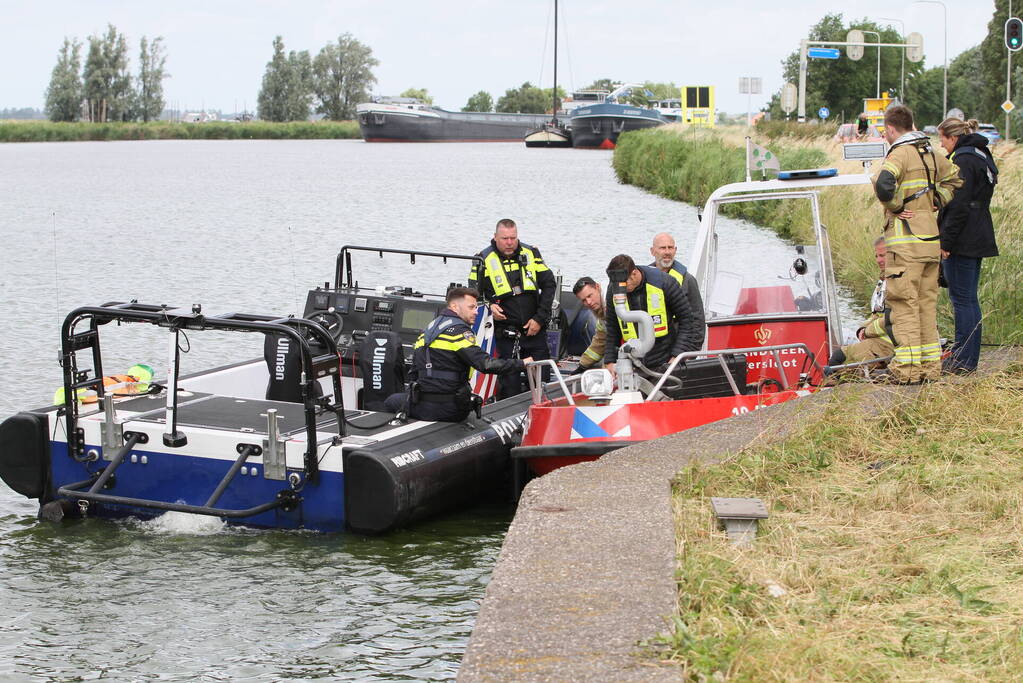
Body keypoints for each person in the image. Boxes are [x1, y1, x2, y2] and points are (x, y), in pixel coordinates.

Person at [873, 105, 962, 383]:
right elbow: (956, 178)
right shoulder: (932, 151)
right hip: (930, 242)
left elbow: (883, 184)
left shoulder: (899, 153)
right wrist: (935, 201)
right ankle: (930, 368)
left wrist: (897, 206)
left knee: (904, 304)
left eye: (885, 131)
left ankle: (908, 371)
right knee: (926, 305)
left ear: (890, 129)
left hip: (905, 244)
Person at [384, 287, 532, 422]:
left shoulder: (428, 330)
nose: (476, 311)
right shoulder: (461, 332)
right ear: (455, 307)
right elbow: (486, 364)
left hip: (422, 403)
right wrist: (522, 363)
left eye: (476, 307)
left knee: (391, 400)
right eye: (471, 307)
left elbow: (414, 372)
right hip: (450, 409)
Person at [937, 117, 999, 374]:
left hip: (962, 238)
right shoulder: (980, 153)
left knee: (961, 300)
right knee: (970, 300)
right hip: (979, 231)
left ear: (953, 137)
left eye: (942, 139)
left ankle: (962, 361)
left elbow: (959, 206)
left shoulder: (961, 160)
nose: (941, 145)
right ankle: (968, 358)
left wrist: (945, 242)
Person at [468, 218, 557, 398]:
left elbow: (549, 285)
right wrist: (490, 306)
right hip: (505, 335)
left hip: (534, 330)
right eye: (504, 238)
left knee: (543, 384)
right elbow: (473, 295)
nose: (509, 243)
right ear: (495, 237)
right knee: (510, 388)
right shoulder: (482, 259)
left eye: (513, 238)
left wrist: (539, 319)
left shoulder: (531, 253)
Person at [602, 254, 704, 377]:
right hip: (633, 361)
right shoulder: (614, 288)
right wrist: (609, 361)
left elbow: (687, 320)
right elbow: (612, 327)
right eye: (615, 284)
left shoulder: (664, 282)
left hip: (665, 359)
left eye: (624, 284)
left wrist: (677, 356)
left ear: (634, 274)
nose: (619, 289)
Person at [829, 237, 894, 368]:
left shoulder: (897, 281)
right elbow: (877, 314)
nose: (878, 260)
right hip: (879, 340)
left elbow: (893, 317)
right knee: (837, 358)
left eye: (882, 255)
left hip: (892, 344)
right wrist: (861, 329)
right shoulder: (883, 281)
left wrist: (867, 332)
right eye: (876, 256)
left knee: (839, 362)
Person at [648, 232, 706, 333]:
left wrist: (691, 347)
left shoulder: (688, 281)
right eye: (662, 248)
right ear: (652, 251)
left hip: (679, 343)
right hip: (652, 343)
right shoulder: (644, 279)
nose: (667, 252)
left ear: (675, 250)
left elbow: (698, 320)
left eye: (670, 248)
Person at [571, 276, 606, 373]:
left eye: (590, 296)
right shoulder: (602, 317)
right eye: (584, 300)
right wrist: (582, 366)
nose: (589, 302)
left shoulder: (612, 304)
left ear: (597, 287)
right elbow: (600, 342)